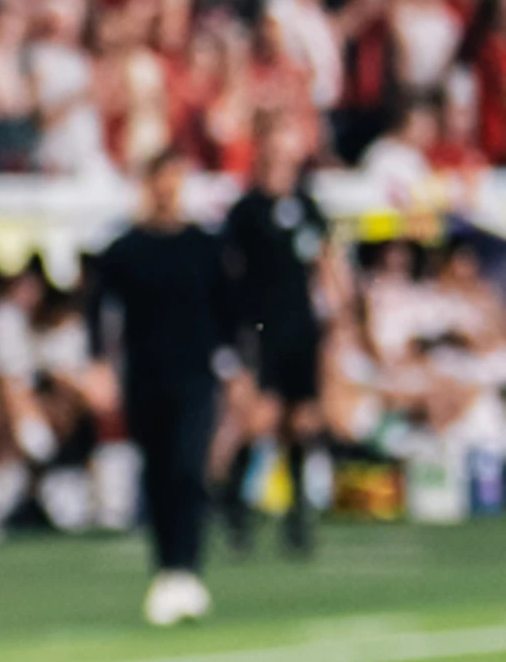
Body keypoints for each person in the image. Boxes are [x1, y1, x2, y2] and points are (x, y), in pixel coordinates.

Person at [92, 148, 235, 628]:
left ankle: (188, 567)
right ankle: (167, 569)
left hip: (195, 375)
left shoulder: (204, 246)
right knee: (156, 474)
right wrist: (99, 365)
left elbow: (230, 311)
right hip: (146, 376)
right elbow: (98, 308)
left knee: (188, 468)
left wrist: (237, 367)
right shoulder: (126, 249)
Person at [219, 120, 343, 555]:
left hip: (300, 324)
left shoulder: (307, 206)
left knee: (302, 420)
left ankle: (297, 513)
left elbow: (326, 262)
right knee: (261, 418)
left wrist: (338, 316)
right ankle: (234, 502)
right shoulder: (246, 211)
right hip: (260, 326)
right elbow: (229, 272)